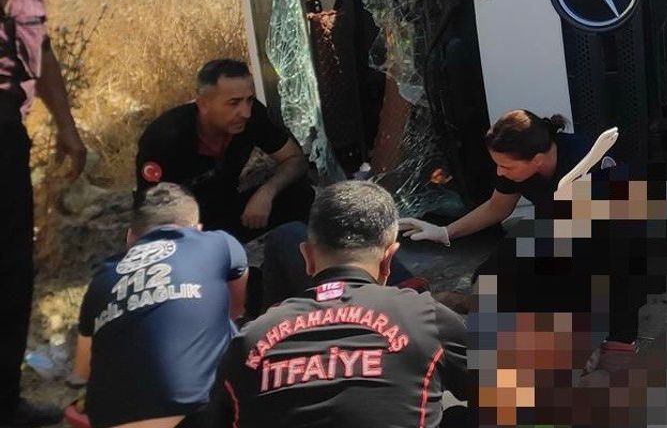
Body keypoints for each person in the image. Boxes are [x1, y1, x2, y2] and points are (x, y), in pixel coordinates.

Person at [210, 181, 474, 428]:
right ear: (389, 260)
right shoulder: (428, 318)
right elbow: (499, 396)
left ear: (307, 257)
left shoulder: (247, 342)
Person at [398, 110, 644, 370]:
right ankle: (488, 310)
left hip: (611, 239)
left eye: (506, 167)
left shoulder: (589, 158)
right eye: (497, 164)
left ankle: (609, 340)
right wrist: (445, 232)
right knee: (494, 273)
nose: (500, 172)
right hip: (553, 229)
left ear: (537, 160)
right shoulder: (515, 165)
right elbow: (498, 206)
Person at [0, 0, 86, 427]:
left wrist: (67, 129)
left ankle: (5, 403)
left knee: (12, 273)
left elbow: (44, 53)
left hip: (9, 142)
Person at [72, 184, 247, 428]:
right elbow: (236, 310)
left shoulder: (102, 278)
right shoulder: (220, 243)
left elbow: (82, 370)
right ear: (198, 229)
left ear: (130, 237)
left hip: (111, 418)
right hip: (198, 412)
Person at [135, 59, 312, 243]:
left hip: (228, 210)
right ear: (203, 104)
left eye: (249, 100)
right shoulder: (164, 138)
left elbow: (294, 159)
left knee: (299, 193)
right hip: (185, 228)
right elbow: (150, 210)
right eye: (234, 103)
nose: (245, 112)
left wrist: (267, 192)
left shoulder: (253, 116)